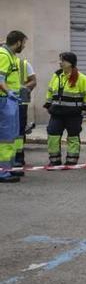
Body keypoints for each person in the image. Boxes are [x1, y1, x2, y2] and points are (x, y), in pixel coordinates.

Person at [44, 52, 86, 166]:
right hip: (56, 113)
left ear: (70, 63)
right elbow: (50, 91)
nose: (60, 63)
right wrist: (48, 105)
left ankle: (71, 160)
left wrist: (85, 109)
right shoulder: (56, 76)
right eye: (60, 60)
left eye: (63, 60)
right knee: (53, 136)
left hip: (73, 114)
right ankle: (54, 160)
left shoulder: (81, 78)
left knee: (73, 137)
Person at [0, 31, 26, 183]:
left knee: (13, 136)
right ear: (17, 42)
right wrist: (9, 92)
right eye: (23, 43)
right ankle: (3, 172)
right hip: (4, 100)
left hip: (11, 101)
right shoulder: (4, 55)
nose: (23, 46)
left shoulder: (11, 56)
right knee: (6, 138)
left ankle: (9, 168)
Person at [14, 51, 36, 173]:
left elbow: (33, 81)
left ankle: (18, 158)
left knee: (18, 132)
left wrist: (23, 90)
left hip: (20, 104)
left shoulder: (23, 64)